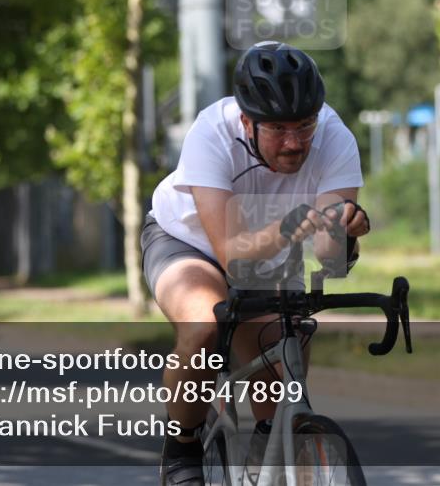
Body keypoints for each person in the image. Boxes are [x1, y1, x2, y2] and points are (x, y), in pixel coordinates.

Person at [145, 41, 371, 485]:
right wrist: (289, 229)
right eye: (278, 129)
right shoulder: (212, 131)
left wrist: (343, 234)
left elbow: (329, 257)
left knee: (281, 389)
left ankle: (269, 458)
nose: (294, 142)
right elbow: (229, 253)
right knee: (204, 325)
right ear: (247, 121)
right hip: (189, 242)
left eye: (304, 126)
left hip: (269, 248)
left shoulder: (335, 137)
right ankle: (182, 448)